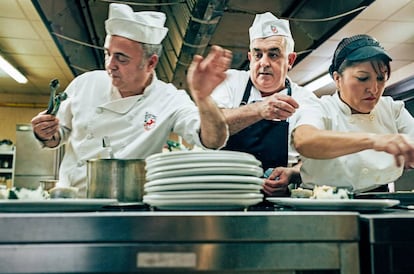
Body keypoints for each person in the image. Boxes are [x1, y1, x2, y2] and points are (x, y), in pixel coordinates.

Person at [30, 3, 231, 197]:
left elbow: (213, 141)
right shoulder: (84, 83)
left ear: (151, 62)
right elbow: (58, 135)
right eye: (108, 54)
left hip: (129, 202)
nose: (110, 65)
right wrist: (45, 132)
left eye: (121, 58)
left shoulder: (170, 99)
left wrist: (203, 98)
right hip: (73, 201)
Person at [211, 12, 318, 196]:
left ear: (290, 60)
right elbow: (212, 127)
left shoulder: (306, 100)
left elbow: (315, 158)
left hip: (277, 201)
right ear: (250, 57)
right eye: (258, 54)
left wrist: (292, 173)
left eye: (273, 54)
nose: (264, 63)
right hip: (225, 195)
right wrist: (259, 110)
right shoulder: (229, 81)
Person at [292, 34, 414, 193]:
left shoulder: (392, 109)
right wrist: (373, 140)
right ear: (337, 79)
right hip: (323, 202)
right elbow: (304, 140)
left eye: (380, 78)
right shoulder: (320, 107)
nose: (374, 89)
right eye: (363, 78)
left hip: (381, 200)